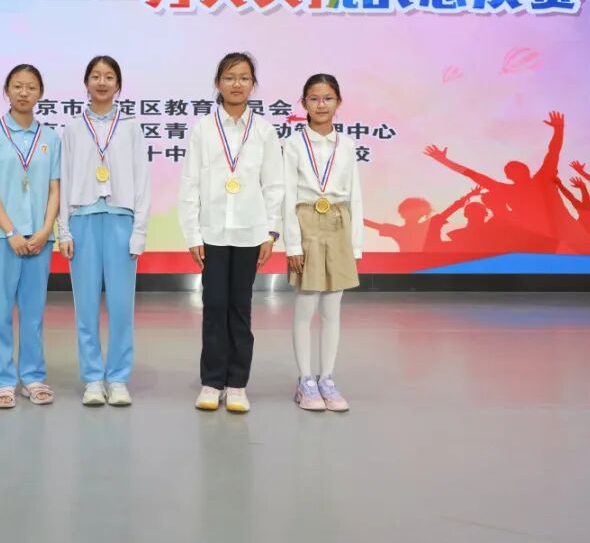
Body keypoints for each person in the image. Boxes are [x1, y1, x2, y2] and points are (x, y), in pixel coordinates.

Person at [177, 52, 284, 414]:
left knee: (240, 308)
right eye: (229, 77)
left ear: (253, 84)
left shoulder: (264, 131)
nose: (237, 84)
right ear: (217, 83)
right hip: (213, 234)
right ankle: (211, 382)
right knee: (214, 307)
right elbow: (190, 183)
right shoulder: (203, 129)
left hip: (250, 233)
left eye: (244, 77)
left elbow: (274, 185)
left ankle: (237, 384)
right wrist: (193, 234)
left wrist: (270, 232)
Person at [57, 55, 151, 407]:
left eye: (109, 77)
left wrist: (139, 231)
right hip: (82, 220)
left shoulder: (130, 127)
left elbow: (142, 180)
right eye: (95, 76)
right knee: (85, 307)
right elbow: (64, 179)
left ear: (118, 85)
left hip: (120, 221)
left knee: (121, 307)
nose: (101, 82)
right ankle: (93, 378)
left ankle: (119, 378)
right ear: (86, 83)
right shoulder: (72, 128)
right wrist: (64, 230)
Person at [0, 65, 61, 409]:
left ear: (41, 93)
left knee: (33, 313)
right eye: (17, 86)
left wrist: (45, 230)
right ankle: (3, 381)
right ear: (6, 91)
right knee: (0, 313)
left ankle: (34, 377)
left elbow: (55, 189)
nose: (24, 93)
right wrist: (10, 231)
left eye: (31, 87)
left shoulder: (50, 138)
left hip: (39, 238)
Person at [284, 74, 362, 413]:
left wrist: (355, 245)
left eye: (327, 98)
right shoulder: (293, 144)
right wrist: (292, 245)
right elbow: (287, 195)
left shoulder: (347, 145)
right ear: (303, 103)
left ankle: (327, 377)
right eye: (314, 98)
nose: (321, 105)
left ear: (338, 102)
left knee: (332, 308)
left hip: (338, 222)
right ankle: (305, 380)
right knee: (306, 305)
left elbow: (355, 195)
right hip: (306, 223)